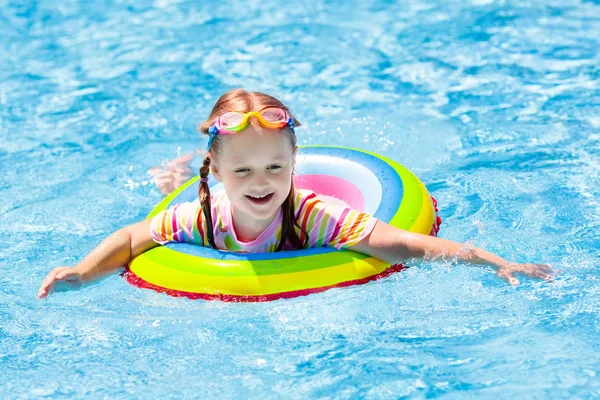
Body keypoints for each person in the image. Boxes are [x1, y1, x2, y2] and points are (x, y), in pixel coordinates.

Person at [37, 89, 554, 299]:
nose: (260, 183)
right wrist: (83, 272)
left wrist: (492, 261)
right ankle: (173, 178)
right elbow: (132, 237)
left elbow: (405, 244)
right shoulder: (205, 216)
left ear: (294, 162)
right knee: (170, 197)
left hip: (304, 230)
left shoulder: (319, 216)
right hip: (205, 205)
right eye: (241, 171)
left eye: (275, 167)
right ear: (216, 169)